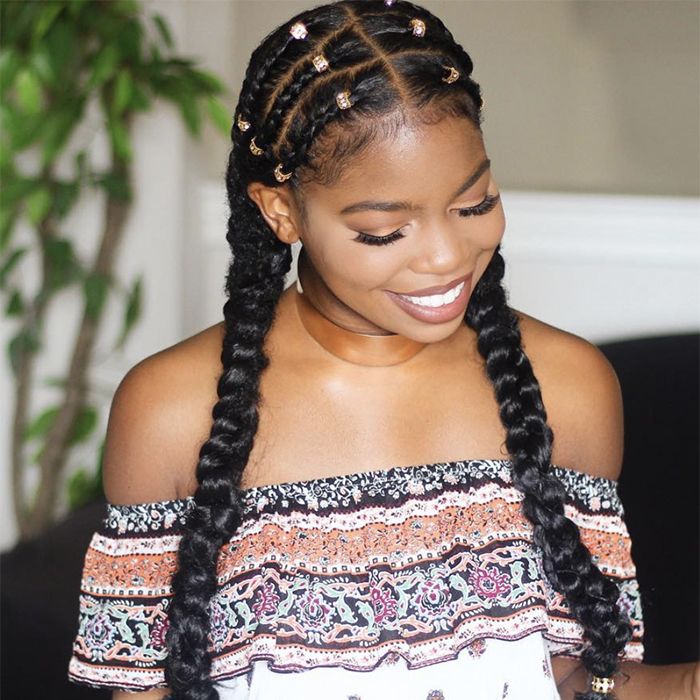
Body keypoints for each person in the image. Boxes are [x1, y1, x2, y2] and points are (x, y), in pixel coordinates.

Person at [66, 1, 698, 699]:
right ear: (281, 210)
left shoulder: (569, 388)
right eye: (383, 232)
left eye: (474, 203)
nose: (447, 256)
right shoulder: (171, 412)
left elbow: (576, 681)